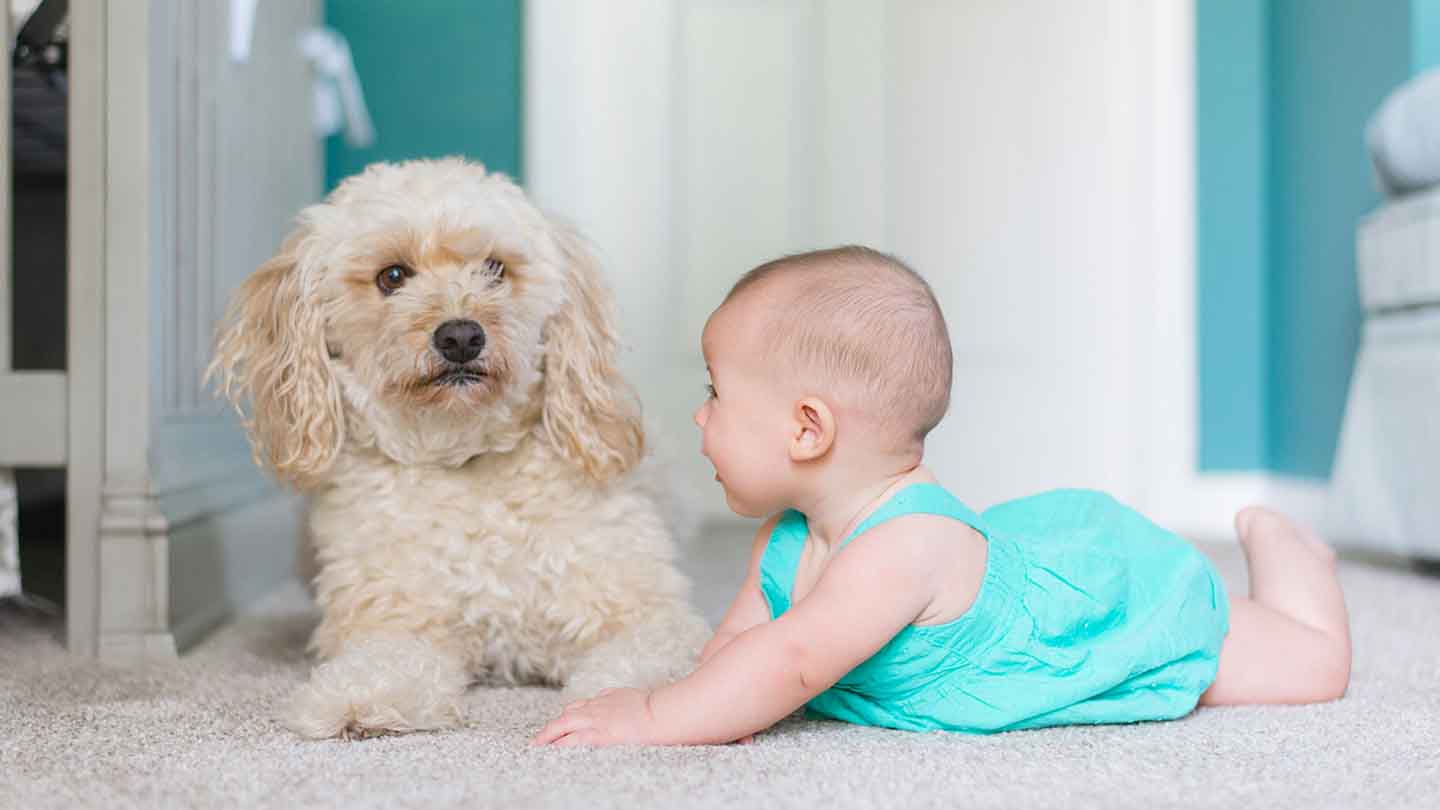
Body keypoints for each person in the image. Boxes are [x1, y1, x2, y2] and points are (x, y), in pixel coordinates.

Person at [532, 246, 1352, 746]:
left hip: (1090, 615)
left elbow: (790, 661)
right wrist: (706, 703)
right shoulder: (786, 537)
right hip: (999, 567)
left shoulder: (901, 549)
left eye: (717, 395)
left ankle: (1292, 561)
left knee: (1310, 668)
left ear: (807, 430)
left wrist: (653, 719)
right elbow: (745, 647)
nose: (700, 415)